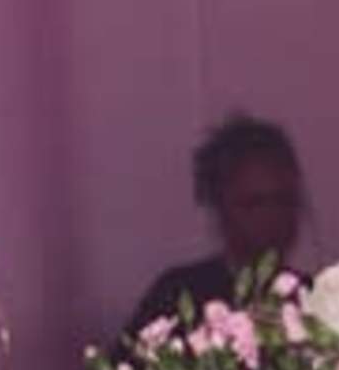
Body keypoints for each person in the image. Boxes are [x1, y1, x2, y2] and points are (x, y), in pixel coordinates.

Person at [124, 112, 307, 333]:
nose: (272, 217)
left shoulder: (316, 298)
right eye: (253, 204)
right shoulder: (179, 295)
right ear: (219, 207)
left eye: (283, 200)